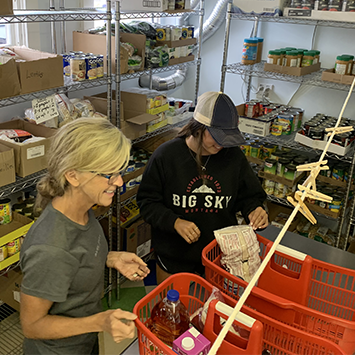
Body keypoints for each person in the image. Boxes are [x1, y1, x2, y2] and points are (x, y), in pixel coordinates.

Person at [20, 117, 150, 355]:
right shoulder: (50, 248)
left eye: (119, 171)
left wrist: (109, 258)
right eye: (109, 174)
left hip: (83, 341)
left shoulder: (83, 210)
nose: (119, 182)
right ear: (73, 176)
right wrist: (100, 322)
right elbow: (32, 325)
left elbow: (74, 259)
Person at [137, 91, 268, 283]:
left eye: (227, 138)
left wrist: (255, 209)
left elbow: (250, 195)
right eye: (216, 137)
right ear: (198, 128)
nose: (221, 146)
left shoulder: (233, 157)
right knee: (172, 307)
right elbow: (147, 202)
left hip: (218, 255)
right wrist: (174, 222)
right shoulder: (167, 156)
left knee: (211, 308)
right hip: (174, 254)